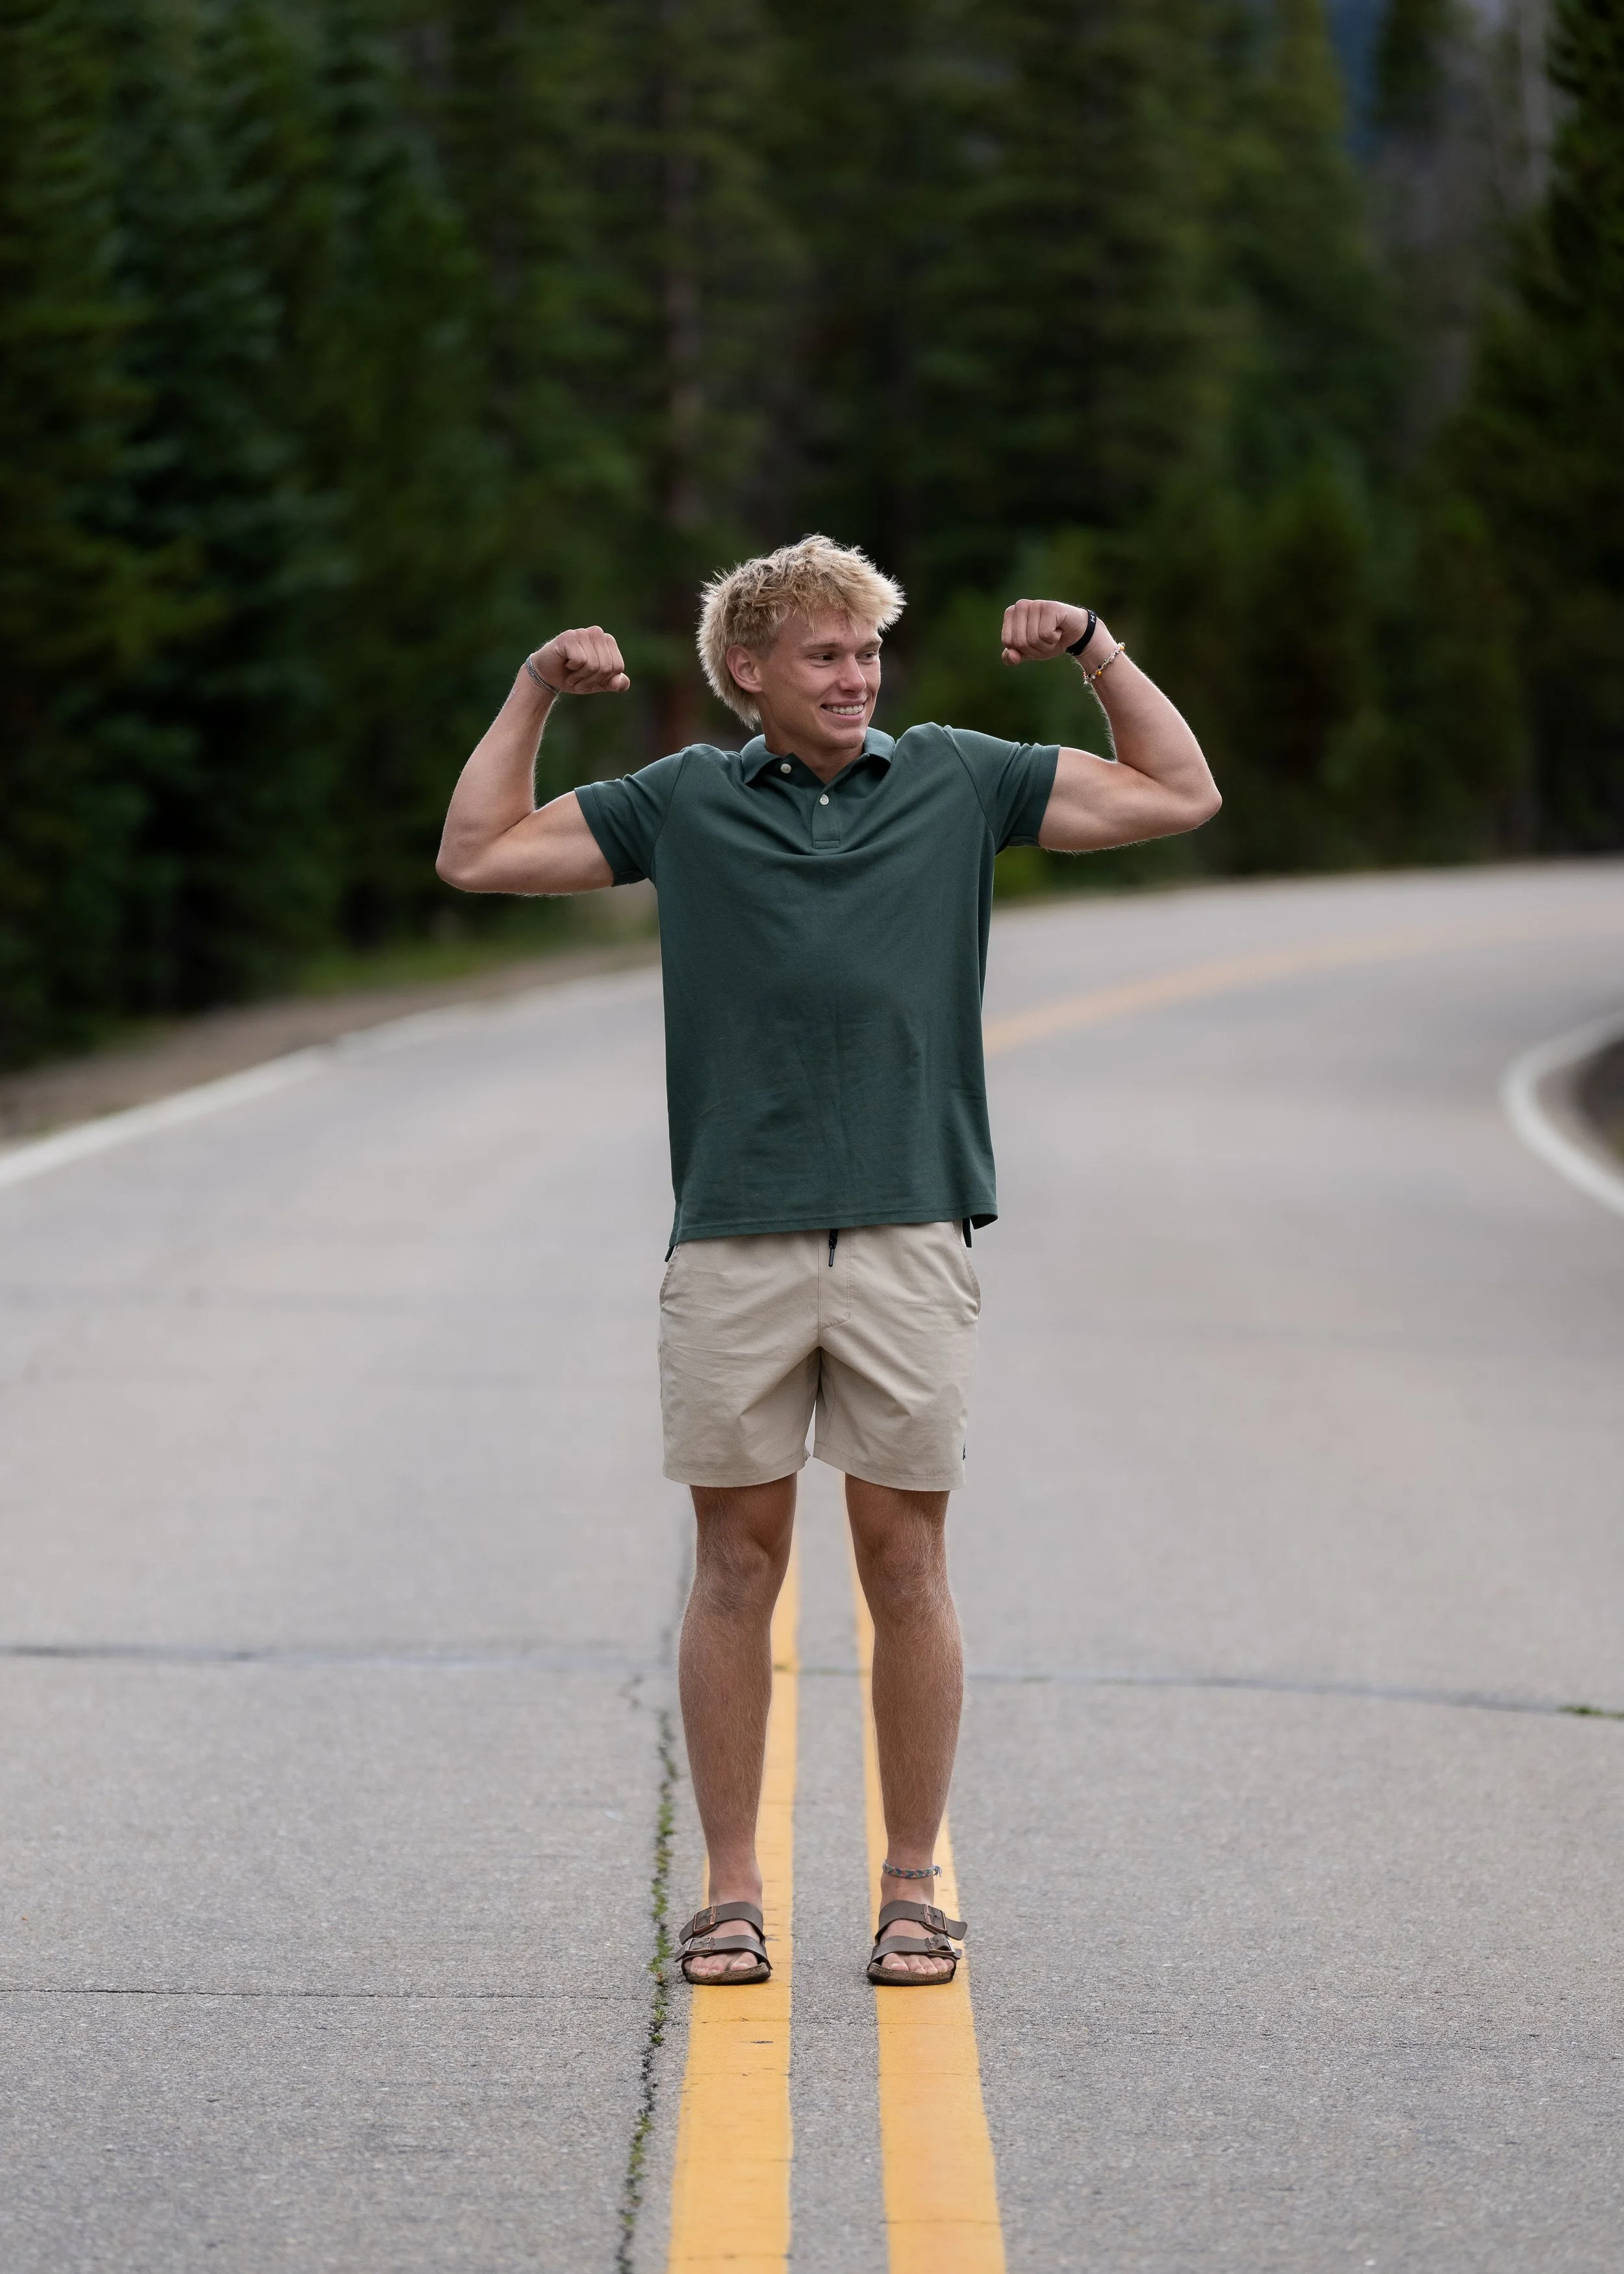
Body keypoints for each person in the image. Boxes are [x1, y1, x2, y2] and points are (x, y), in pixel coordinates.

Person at [436, 536, 1220, 1984]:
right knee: (734, 1561)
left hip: (910, 1224)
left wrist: (1097, 648)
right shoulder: (681, 802)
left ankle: (913, 1887)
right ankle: (731, 1890)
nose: (856, 677)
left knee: (904, 1558)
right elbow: (478, 850)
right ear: (748, 672)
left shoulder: (957, 776)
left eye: (867, 653)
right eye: (823, 654)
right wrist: (535, 690)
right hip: (735, 1227)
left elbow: (1180, 791)